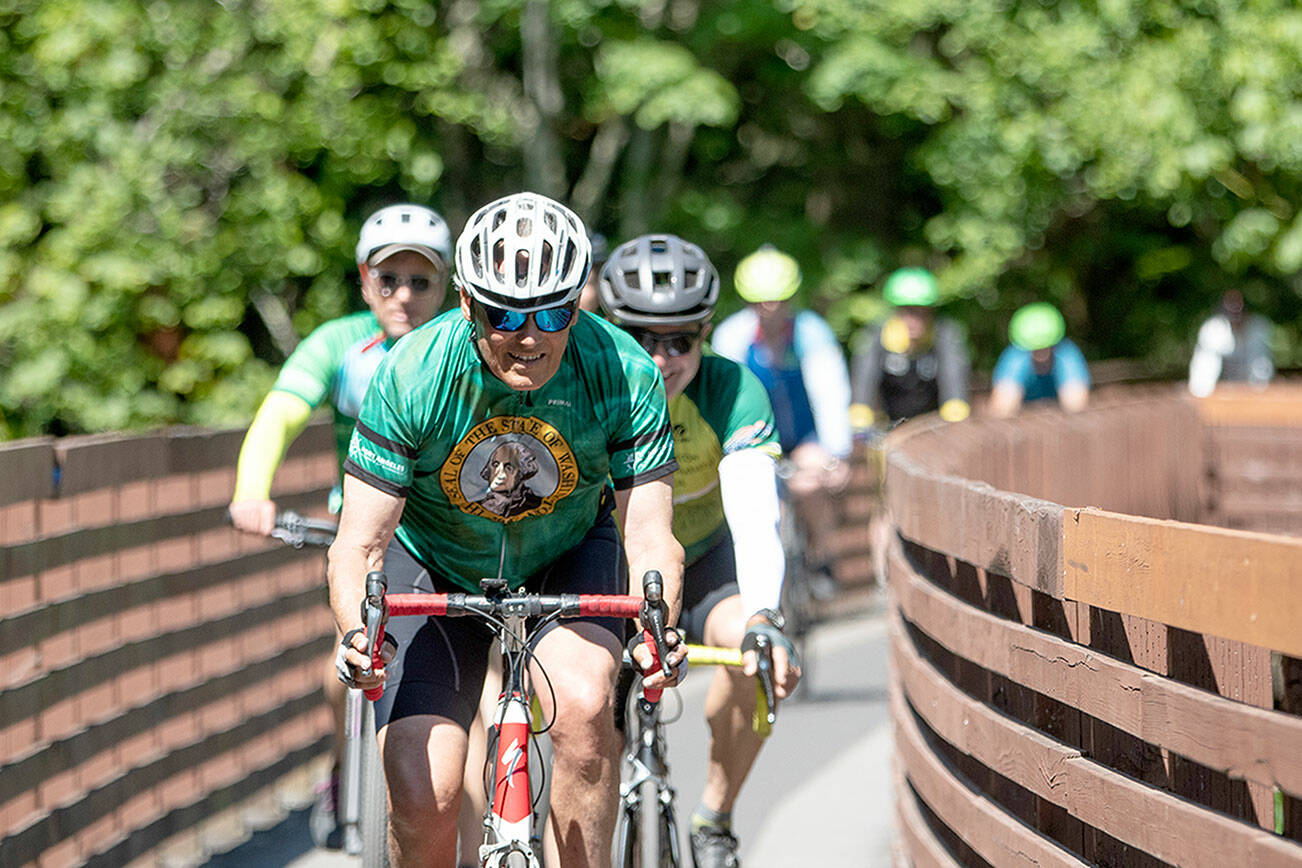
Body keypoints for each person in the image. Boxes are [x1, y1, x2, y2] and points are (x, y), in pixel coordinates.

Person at [328, 192, 686, 868]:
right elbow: (362, 542)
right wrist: (356, 631)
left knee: (583, 708)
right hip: (434, 564)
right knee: (422, 785)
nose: (531, 335)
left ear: (579, 302)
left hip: (568, 553)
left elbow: (649, 535)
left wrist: (657, 624)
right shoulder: (412, 372)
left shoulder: (624, 370)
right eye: (505, 314)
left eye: (554, 312)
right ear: (465, 302)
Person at [228, 202, 452, 848]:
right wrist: (251, 492)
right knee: (343, 664)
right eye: (389, 280)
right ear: (364, 281)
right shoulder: (339, 345)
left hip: (447, 537)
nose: (404, 295)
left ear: (446, 288)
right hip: (365, 531)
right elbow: (279, 413)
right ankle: (342, 765)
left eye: (421, 281)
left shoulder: (461, 348)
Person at [598, 234, 802, 868]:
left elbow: (754, 511)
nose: (661, 358)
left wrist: (766, 616)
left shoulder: (732, 391)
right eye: (641, 339)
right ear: (610, 331)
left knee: (755, 658)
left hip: (706, 561)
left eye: (680, 340)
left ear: (706, 334)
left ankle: (715, 816)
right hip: (610, 562)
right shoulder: (585, 386)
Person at [711, 245, 852, 599]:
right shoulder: (731, 337)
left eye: (779, 301)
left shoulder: (811, 332)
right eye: (761, 302)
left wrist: (837, 452)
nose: (771, 310)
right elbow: (722, 398)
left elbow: (830, 392)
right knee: (766, 511)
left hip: (804, 435)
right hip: (756, 436)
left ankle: (822, 556)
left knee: (809, 484)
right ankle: (777, 600)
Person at [849, 267, 971, 431]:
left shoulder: (944, 335)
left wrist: (955, 414)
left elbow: (954, 382)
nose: (914, 320)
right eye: (908, 311)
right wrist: (861, 416)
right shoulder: (876, 337)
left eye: (922, 312)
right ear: (896, 311)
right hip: (887, 427)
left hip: (932, 428)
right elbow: (863, 383)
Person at [989, 302, 1090, 417]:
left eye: (1046, 347)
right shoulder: (1015, 357)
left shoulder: (1067, 354)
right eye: (1034, 349)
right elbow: (1002, 406)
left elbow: (1076, 403)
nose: (1041, 354)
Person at [1187, 289, 1274, 397]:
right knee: (1208, 357)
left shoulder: (1258, 327)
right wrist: (1201, 389)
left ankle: (1259, 394)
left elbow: (1261, 362)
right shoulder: (1213, 329)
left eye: (1238, 307)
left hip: (1250, 387)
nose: (1235, 312)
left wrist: (1259, 388)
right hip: (1221, 386)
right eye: (1231, 308)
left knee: (1259, 363)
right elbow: (1204, 364)